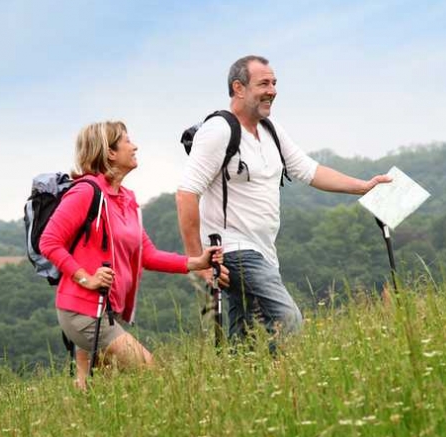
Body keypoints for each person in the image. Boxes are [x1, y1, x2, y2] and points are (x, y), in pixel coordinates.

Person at [176, 55, 391, 347]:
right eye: (264, 83)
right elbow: (187, 193)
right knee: (288, 320)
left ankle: (248, 386)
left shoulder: (270, 129)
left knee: (246, 339)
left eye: (274, 83)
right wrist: (197, 262)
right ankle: (289, 381)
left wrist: (363, 187)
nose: (273, 90)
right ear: (239, 88)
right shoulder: (218, 131)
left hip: (265, 251)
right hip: (235, 250)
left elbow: (309, 170)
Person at [40, 120, 222, 390]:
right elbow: (49, 242)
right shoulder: (85, 192)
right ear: (110, 152)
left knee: (100, 392)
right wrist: (85, 278)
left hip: (108, 311)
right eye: (126, 141)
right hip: (84, 311)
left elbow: (146, 254)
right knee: (155, 374)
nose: (134, 146)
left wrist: (196, 262)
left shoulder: (126, 198)